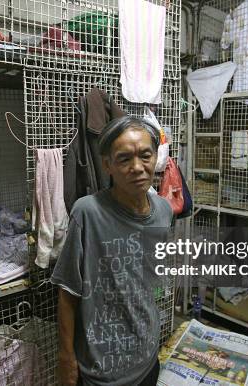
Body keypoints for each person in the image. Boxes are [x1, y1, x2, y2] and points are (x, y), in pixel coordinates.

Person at [51, 116, 174, 386]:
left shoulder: (164, 211)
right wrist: (66, 357)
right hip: (101, 371)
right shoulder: (87, 213)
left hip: (147, 358)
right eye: (124, 159)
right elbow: (67, 292)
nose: (138, 168)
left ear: (156, 158)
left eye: (145, 155)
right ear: (107, 165)